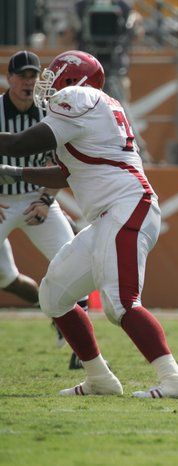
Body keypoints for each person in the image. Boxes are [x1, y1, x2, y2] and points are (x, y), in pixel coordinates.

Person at [0, 50, 178, 398]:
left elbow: (20, 143)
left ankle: (175, 381)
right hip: (112, 213)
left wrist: (13, 159)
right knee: (54, 295)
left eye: (55, 77)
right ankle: (100, 378)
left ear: (76, 82)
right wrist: (15, 174)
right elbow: (68, 171)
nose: (48, 85)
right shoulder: (97, 106)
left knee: (120, 302)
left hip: (125, 207)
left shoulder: (80, 97)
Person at [1, 50, 88, 367]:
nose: (28, 81)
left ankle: (81, 349)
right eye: (21, 75)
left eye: (32, 75)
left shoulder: (48, 113)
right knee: (5, 278)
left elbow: (65, 166)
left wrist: (46, 200)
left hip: (37, 198)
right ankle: (55, 312)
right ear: (9, 78)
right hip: (2, 200)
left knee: (73, 260)